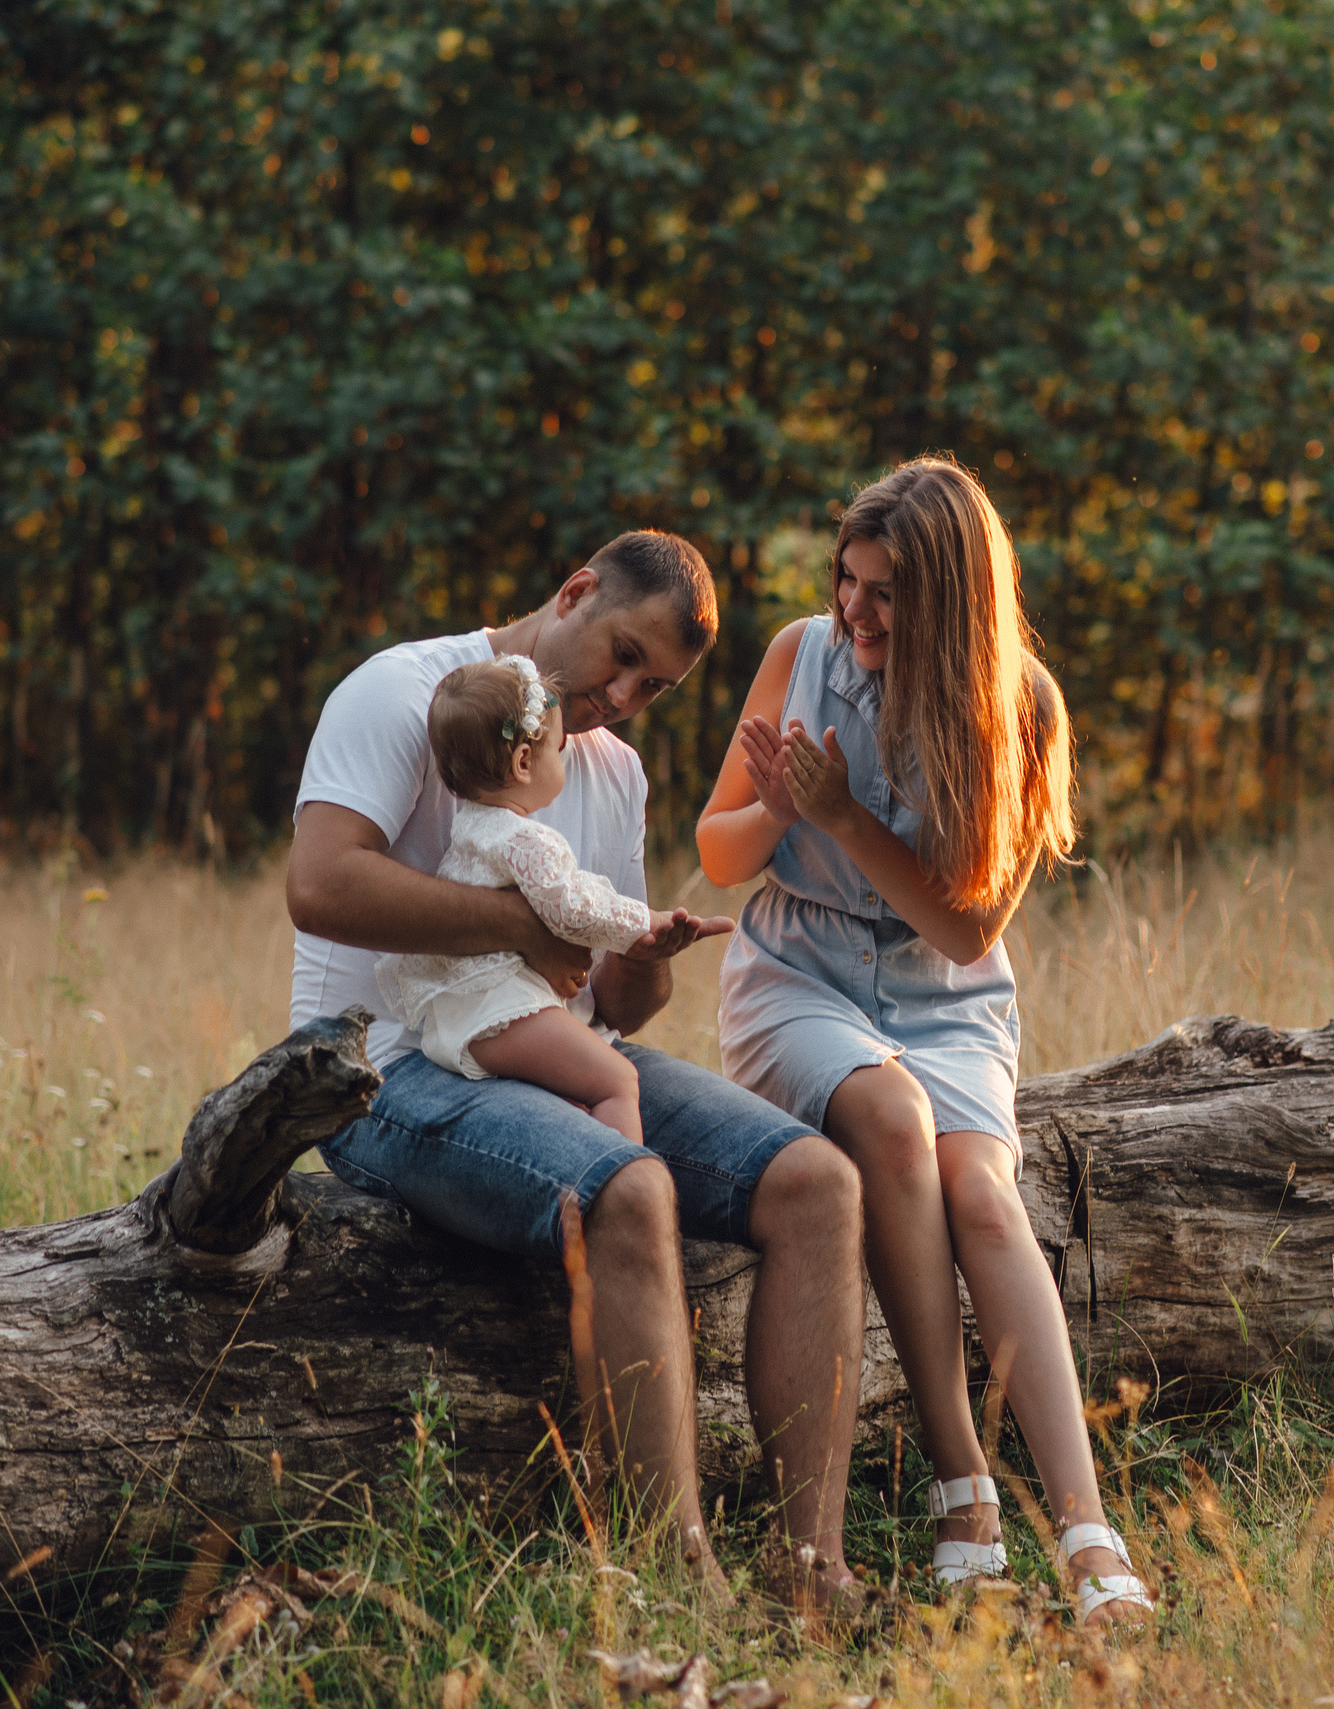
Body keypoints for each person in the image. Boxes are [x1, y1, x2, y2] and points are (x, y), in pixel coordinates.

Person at [286, 531, 867, 1611]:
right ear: (574, 591)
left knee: (820, 1182)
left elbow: (614, 1001)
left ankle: (811, 1574)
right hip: (386, 1066)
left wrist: (645, 958)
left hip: (554, 1047)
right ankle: (679, 1581)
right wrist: (520, 924)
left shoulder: (611, 768)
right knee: (630, 1185)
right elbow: (319, 885)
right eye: (624, 654)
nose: (624, 695)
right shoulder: (404, 690)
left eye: (656, 686)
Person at [697, 457, 1155, 1625]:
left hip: (943, 996)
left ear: (950, 601)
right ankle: (964, 1481)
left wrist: (846, 817)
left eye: (886, 592)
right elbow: (715, 851)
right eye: (846, 579)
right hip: (795, 973)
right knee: (893, 1123)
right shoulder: (800, 654)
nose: (854, 609)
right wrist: (780, 811)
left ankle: (1087, 1531)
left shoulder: (1023, 707)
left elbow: (964, 928)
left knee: (986, 1200)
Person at [375, 655, 734, 1145]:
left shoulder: (471, 828)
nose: (563, 757)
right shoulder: (527, 841)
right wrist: (645, 922)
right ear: (524, 762)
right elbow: (572, 908)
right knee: (618, 1080)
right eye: (557, 748)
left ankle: (582, 1167)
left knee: (574, 1093)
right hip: (499, 1011)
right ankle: (621, 1174)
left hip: (462, 1016)